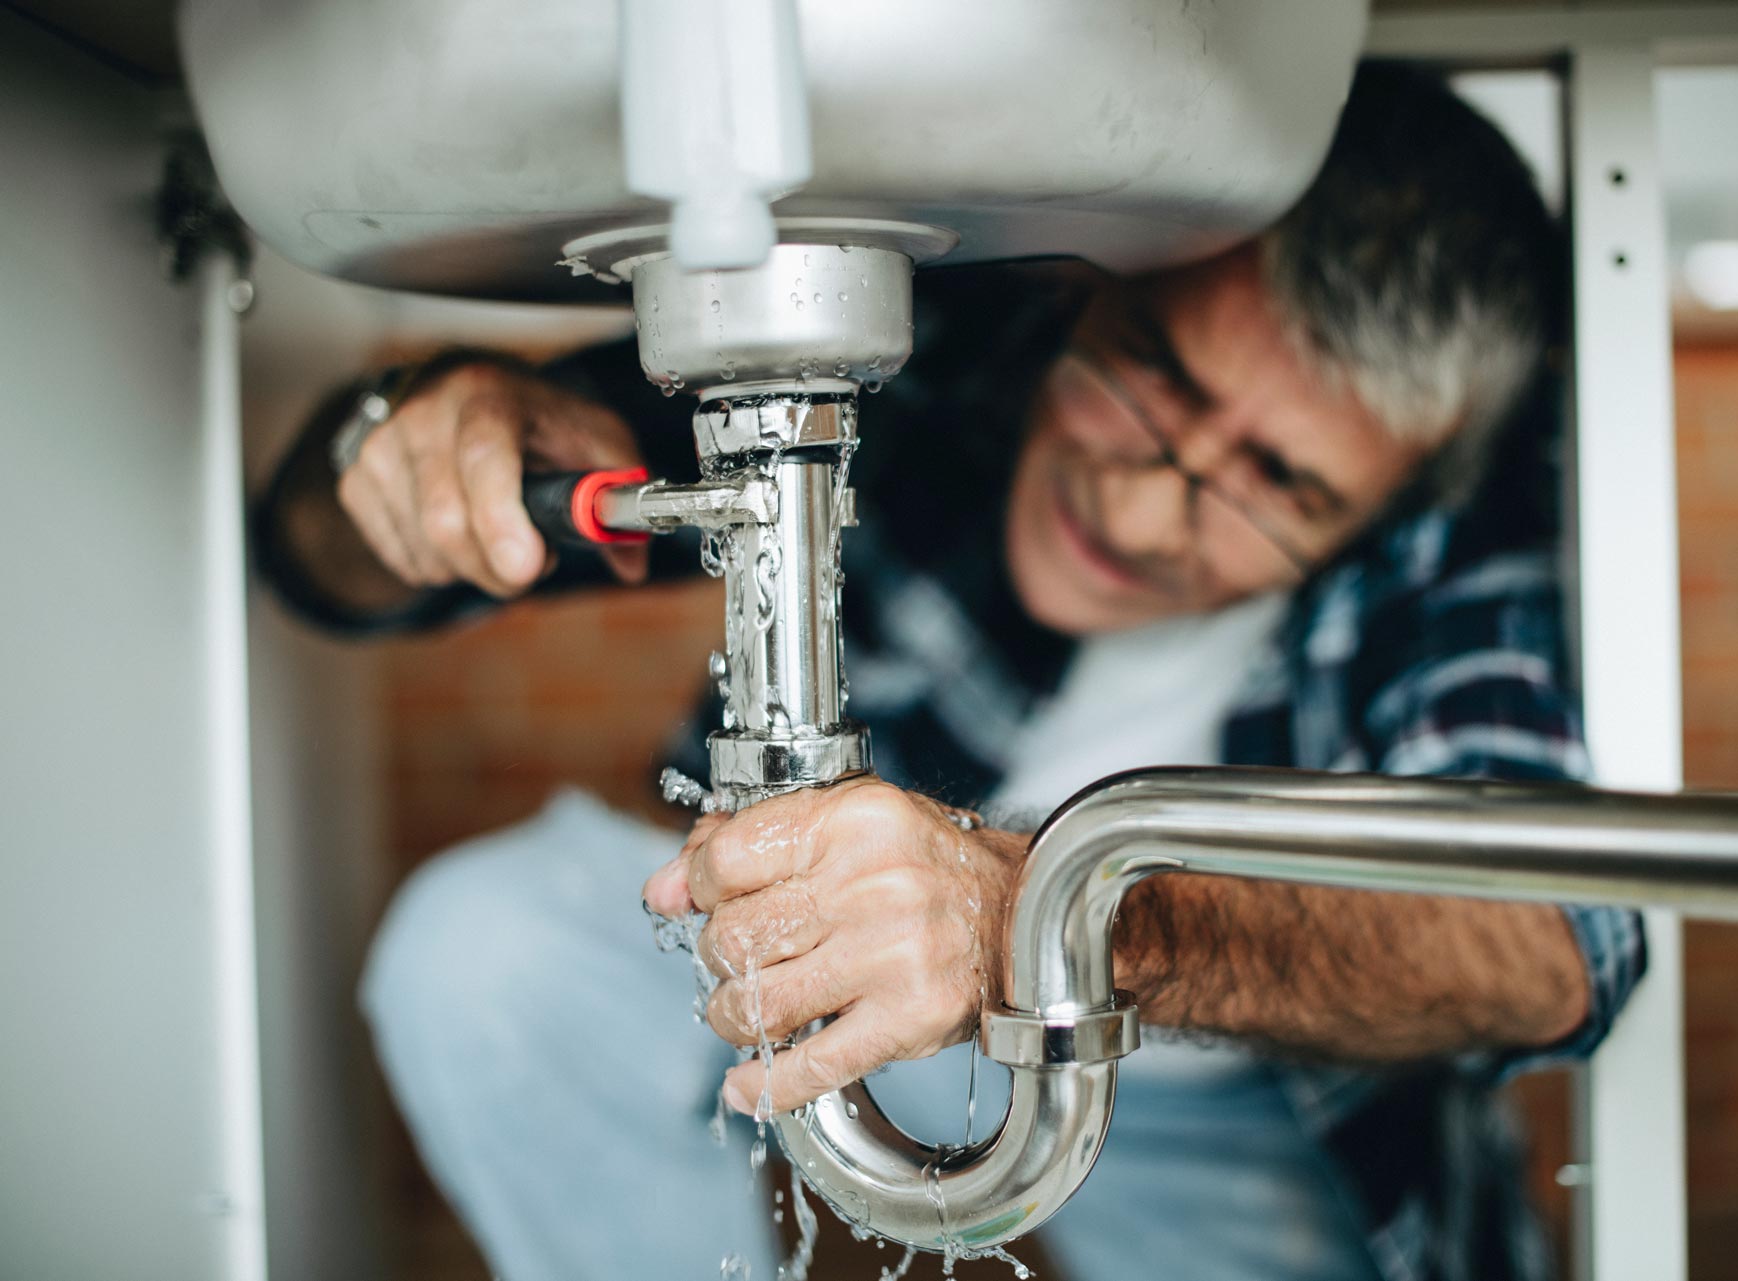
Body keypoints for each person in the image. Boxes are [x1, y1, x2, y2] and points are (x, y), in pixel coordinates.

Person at [257, 64, 1642, 1281]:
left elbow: (1546, 945)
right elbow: (321, 563)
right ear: (1107, 283)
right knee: (488, 954)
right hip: (851, 957)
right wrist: (413, 440)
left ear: (1383, 508)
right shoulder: (950, 338)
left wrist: (1051, 918)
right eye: (1153, 375)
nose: (1145, 509)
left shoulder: (1464, 512)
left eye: (1276, 484)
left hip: (1248, 1075)